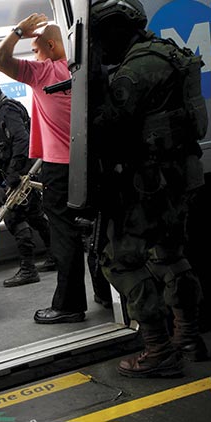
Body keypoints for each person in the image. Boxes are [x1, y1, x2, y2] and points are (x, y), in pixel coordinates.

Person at [90, 0, 208, 377]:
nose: (100, 44)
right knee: (170, 255)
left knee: (118, 260)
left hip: (148, 182)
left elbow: (110, 126)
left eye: (103, 34)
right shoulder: (170, 53)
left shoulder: (135, 70)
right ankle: (188, 337)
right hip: (180, 175)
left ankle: (158, 350)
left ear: (119, 28)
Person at [0, 15, 88, 324]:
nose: (33, 56)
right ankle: (105, 293)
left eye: (35, 49)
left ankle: (69, 305)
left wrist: (18, 31)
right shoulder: (82, 73)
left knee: (64, 236)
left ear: (50, 45)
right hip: (89, 160)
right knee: (97, 230)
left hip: (60, 167)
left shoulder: (43, 74)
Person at [0, 71, 55, 288]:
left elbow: (21, 140)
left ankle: (28, 269)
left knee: (15, 218)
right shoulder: (2, 109)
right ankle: (56, 255)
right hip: (21, 171)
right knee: (35, 215)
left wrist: (14, 173)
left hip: (22, 173)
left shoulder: (6, 109)